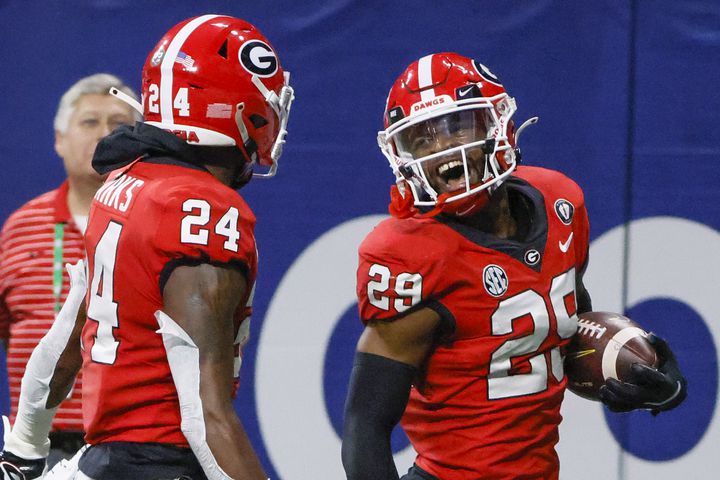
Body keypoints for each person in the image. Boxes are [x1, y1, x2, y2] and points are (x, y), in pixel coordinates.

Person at [341, 53, 687, 480]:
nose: (443, 148)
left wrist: (634, 374)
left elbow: (561, 331)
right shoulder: (410, 255)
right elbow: (366, 426)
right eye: (422, 140)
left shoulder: (561, 202)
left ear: (497, 123)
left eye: (457, 126)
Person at [0, 14, 294, 480]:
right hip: (162, 463)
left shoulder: (123, 184)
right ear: (235, 109)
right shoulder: (202, 208)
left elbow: (67, 337)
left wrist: (23, 445)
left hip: (101, 461)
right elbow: (205, 418)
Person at [0, 73, 140, 466]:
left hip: (128, 449)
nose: (105, 134)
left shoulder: (158, 221)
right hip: (39, 447)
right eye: (90, 122)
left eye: (119, 124)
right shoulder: (20, 227)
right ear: (60, 140)